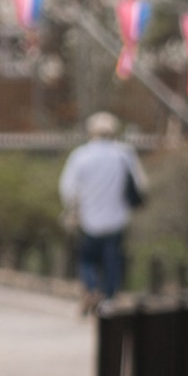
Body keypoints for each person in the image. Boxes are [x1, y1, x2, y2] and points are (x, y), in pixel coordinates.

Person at [59, 110, 146, 308]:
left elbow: (67, 188)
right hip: (117, 219)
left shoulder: (81, 156)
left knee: (87, 259)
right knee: (112, 261)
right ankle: (109, 299)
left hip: (89, 219)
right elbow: (139, 185)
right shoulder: (124, 154)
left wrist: (74, 207)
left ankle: (91, 289)